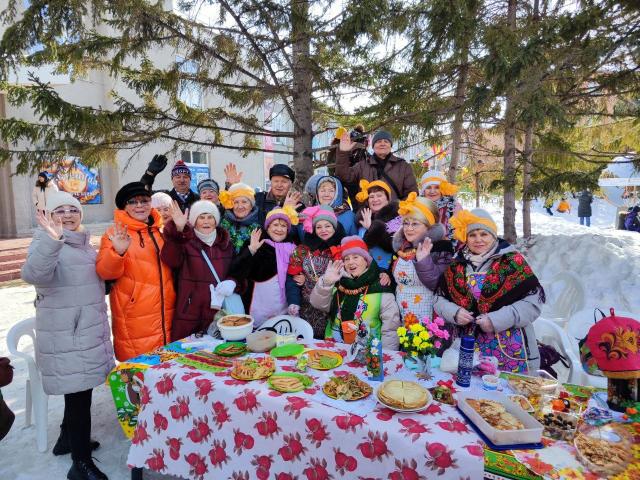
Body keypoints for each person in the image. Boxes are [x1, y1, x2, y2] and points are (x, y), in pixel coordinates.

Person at [21, 191, 114, 480]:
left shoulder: (82, 244)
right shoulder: (46, 242)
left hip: (84, 330)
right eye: (59, 210)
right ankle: (80, 463)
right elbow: (34, 274)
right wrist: (52, 240)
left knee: (80, 391)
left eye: (72, 209)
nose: (67, 215)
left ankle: (65, 439)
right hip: (68, 336)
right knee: (79, 398)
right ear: (49, 217)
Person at [434, 209, 545, 373]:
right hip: (466, 349)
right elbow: (438, 299)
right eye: (472, 235)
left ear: (493, 235)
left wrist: (495, 320)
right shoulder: (457, 265)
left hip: (510, 349)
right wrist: (454, 313)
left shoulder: (512, 262)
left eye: (484, 234)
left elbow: (533, 304)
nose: (478, 239)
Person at [96, 182, 176, 361]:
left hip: (167, 314)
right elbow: (105, 273)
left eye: (144, 200)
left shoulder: (161, 231)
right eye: (133, 202)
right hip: (135, 317)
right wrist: (118, 252)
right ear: (124, 207)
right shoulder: (115, 233)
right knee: (140, 372)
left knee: (168, 372)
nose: (139, 205)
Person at [161, 200, 235, 340]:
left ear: (216, 220)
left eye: (210, 217)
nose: (206, 221)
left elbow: (235, 271)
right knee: (186, 350)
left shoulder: (226, 244)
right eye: (201, 217)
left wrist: (232, 281)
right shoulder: (185, 241)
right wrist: (178, 231)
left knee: (220, 350)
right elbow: (171, 261)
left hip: (218, 310)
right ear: (194, 221)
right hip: (190, 310)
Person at [309, 236, 401, 350]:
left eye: (355, 257)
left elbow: (390, 329)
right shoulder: (337, 282)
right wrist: (326, 282)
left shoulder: (380, 285)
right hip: (334, 348)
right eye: (346, 259)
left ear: (366, 261)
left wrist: (387, 355)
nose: (350, 262)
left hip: (368, 353)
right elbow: (318, 304)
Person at [392, 193, 454, 327]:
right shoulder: (403, 247)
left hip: (428, 318)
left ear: (428, 226)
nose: (409, 229)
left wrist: (424, 260)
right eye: (406, 223)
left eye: (415, 224)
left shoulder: (441, 247)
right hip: (401, 316)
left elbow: (438, 284)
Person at [230, 207, 298, 328]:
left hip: (283, 309)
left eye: (283, 226)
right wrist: (251, 250)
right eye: (275, 225)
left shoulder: (293, 249)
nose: (279, 229)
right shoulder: (256, 243)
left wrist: (301, 277)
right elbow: (236, 271)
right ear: (268, 227)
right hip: (257, 308)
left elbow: (294, 277)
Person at [286, 205, 346, 337]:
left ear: (335, 228)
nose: (323, 230)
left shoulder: (343, 250)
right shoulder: (302, 250)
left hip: (332, 311)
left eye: (327, 226)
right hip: (306, 311)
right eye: (319, 227)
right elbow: (291, 279)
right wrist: (293, 301)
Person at [335, 129, 418, 201]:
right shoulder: (362, 165)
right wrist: (343, 152)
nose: (382, 144)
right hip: (367, 212)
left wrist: (399, 210)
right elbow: (344, 176)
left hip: (394, 213)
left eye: (386, 141)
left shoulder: (403, 166)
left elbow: (412, 193)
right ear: (373, 146)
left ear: (390, 146)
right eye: (378, 141)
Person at [355, 179, 400, 271]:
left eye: (379, 195)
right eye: (371, 196)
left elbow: (393, 246)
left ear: (387, 199)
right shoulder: (362, 218)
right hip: (367, 270)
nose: (375, 199)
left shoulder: (397, 218)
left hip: (388, 269)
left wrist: (372, 228)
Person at [419, 170, 462, 242]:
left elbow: (460, 232)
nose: (432, 191)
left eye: (437, 187)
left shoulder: (454, 207)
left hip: (447, 246)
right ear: (423, 190)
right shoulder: (417, 206)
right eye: (428, 187)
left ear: (442, 189)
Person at [219, 183, 262, 253]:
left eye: (244, 202)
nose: (240, 206)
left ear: (251, 206)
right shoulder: (222, 225)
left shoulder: (259, 227)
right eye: (236, 202)